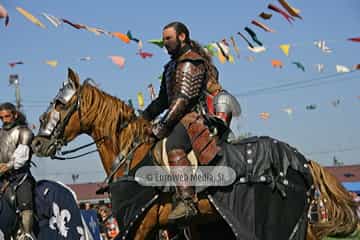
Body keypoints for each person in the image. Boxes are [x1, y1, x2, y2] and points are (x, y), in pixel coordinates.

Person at [142, 21, 220, 224]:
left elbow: (183, 99)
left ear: (182, 37)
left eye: (168, 38)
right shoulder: (170, 67)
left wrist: (162, 125)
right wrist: (142, 118)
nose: (165, 43)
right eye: (164, 39)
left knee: (174, 145)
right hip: (177, 117)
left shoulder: (191, 62)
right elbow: (162, 101)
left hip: (192, 120)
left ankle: (187, 201)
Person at [0, 102, 35, 240]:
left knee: (25, 203)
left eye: (7, 116)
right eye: (1, 118)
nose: (4, 120)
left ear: (15, 114)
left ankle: (27, 234)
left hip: (20, 178)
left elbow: (22, 155)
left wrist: (8, 165)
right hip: (2, 178)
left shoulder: (24, 132)